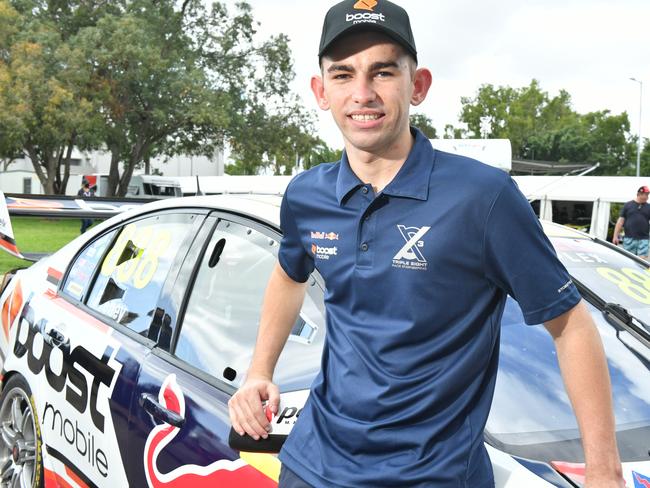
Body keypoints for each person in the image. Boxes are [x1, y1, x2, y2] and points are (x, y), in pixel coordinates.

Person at [228, 1, 624, 487]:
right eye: (343, 75)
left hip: (433, 476)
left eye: (383, 72)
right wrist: (258, 371)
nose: (363, 94)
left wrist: (604, 470)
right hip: (313, 467)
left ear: (418, 86)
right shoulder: (307, 195)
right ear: (321, 91)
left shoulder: (484, 199)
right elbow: (289, 276)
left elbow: (571, 326)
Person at [612, 185, 650, 258]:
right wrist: (615, 236)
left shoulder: (649, 207)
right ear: (639, 194)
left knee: (642, 262)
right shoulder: (628, 205)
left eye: (648, 195)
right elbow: (620, 222)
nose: (647, 197)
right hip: (629, 238)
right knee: (629, 260)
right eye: (645, 195)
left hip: (644, 239)